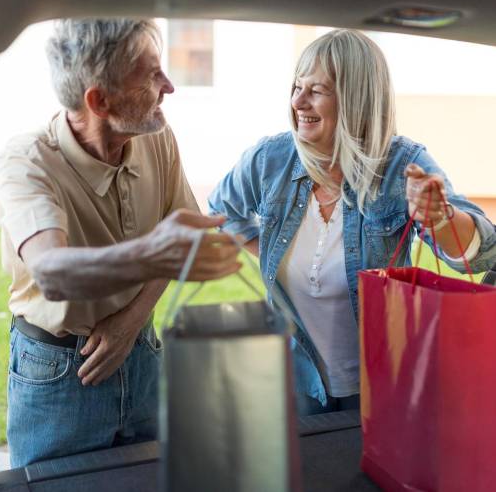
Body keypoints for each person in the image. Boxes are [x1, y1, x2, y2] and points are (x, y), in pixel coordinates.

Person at [209, 29, 496, 416]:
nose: (298, 102)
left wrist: (441, 218)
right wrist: (263, 253)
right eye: (296, 86)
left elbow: (481, 254)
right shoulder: (270, 158)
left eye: (317, 90)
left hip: (381, 383)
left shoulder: (401, 164)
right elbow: (221, 210)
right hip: (293, 381)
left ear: (355, 99)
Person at [0, 18, 240, 467]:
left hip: (141, 348)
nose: (169, 86)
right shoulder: (25, 160)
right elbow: (50, 271)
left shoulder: (158, 137)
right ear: (100, 100)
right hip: (60, 372)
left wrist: (130, 323)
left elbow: (177, 234)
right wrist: (152, 254)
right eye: (151, 74)